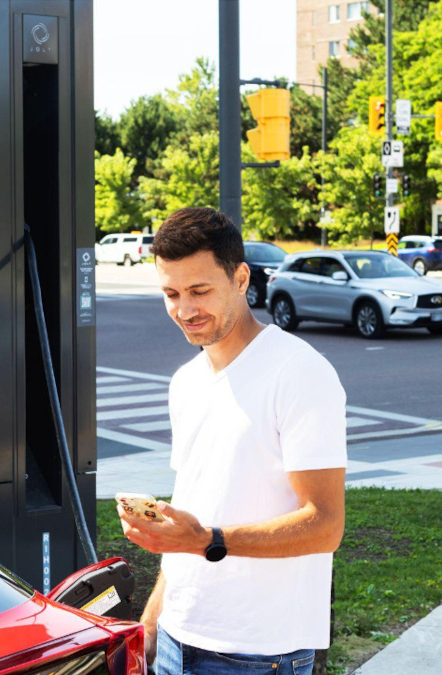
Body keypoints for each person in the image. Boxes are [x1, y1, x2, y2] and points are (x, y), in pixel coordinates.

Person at [119, 207, 347, 675]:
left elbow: (326, 525)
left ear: (241, 278)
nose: (185, 310)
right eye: (171, 293)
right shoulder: (185, 381)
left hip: (259, 654)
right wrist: (151, 621)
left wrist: (207, 539)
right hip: (176, 641)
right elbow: (195, 508)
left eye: (200, 291)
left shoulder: (300, 372)